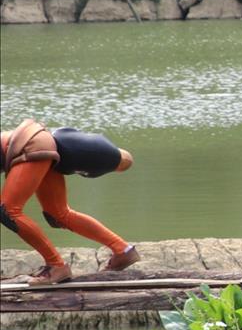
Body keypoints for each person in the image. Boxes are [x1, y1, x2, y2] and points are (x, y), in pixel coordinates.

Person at [1, 121, 140, 285]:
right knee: (58, 214)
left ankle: (56, 266)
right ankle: (123, 250)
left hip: (32, 147)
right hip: (42, 146)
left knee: (8, 211)